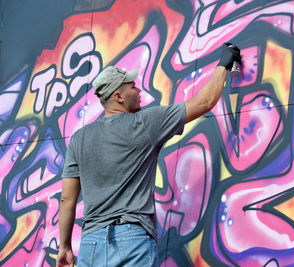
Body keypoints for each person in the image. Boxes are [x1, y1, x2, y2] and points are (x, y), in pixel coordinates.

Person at [56, 43, 241, 267]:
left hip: (91, 244)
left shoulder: (79, 139)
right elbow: (204, 102)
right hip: (132, 239)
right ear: (118, 96)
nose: (139, 91)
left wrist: (65, 247)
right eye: (132, 87)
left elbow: (67, 200)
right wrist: (224, 63)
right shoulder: (144, 123)